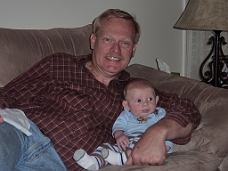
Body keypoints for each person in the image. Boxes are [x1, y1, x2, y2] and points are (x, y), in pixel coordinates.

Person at [0, 9, 201, 171]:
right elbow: (9, 93)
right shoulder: (59, 64)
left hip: (55, 165)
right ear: (93, 41)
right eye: (108, 40)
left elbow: (189, 110)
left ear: (133, 50)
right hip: (23, 136)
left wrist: (158, 132)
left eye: (124, 43)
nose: (115, 50)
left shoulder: (135, 92)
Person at [73, 78, 173, 170]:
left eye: (150, 99)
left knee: (137, 144)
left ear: (156, 100)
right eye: (138, 100)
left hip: (146, 141)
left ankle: (120, 159)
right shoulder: (126, 114)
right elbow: (118, 125)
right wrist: (119, 135)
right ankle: (95, 161)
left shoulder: (159, 113)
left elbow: (167, 129)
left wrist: (166, 145)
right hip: (127, 141)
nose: (145, 103)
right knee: (106, 146)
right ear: (126, 105)